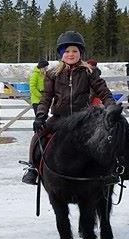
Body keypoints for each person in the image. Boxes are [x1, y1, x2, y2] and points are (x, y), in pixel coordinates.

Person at [21, 31, 115, 185]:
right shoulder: (52, 74)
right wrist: (40, 115)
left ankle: (108, 169)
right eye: (67, 51)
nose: (71, 54)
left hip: (83, 118)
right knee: (38, 136)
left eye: (75, 51)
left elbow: (103, 91)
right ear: (61, 54)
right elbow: (46, 97)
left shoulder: (89, 72)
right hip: (60, 118)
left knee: (105, 138)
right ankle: (33, 168)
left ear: (80, 53)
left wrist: (111, 107)